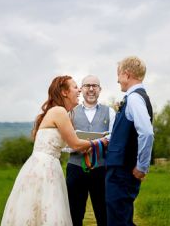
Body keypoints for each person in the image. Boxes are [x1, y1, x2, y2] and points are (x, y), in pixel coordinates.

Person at [1, 76, 95, 226]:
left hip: (46, 165)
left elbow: (68, 145)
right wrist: (102, 142)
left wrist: (88, 145)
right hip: (44, 169)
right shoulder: (59, 111)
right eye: (75, 87)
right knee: (46, 211)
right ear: (64, 92)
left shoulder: (62, 113)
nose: (79, 91)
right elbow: (76, 144)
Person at [105, 56, 154, 226]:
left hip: (122, 171)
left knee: (117, 220)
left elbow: (147, 133)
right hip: (121, 169)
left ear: (126, 74)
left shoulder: (134, 99)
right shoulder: (135, 97)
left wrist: (142, 166)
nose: (117, 80)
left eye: (118, 75)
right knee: (121, 218)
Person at [66, 75, 116, 226]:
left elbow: (114, 138)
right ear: (82, 89)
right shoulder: (70, 113)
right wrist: (78, 144)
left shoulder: (110, 112)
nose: (91, 89)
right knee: (74, 214)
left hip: (101, 169)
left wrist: (100, 142)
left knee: (104, 214)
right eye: (87, 85)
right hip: (75, 168)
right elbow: (64, 142)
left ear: (100, 90)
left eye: (95, 86)